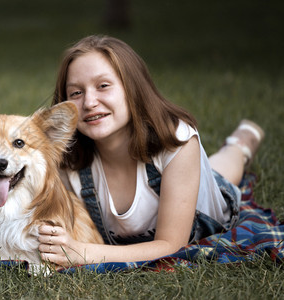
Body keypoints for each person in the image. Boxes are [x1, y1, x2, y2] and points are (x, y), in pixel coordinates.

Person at [37, 35, 265, 266]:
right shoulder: (64, 160)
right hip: (180, 181)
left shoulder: (176, 141)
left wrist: (82, 252)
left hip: (203, 207)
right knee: (215, 168)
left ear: (132, 87)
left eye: (103, 86)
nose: (89, 102)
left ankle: (241, 142)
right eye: (76, 93)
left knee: (224, 173)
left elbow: (171, 245)